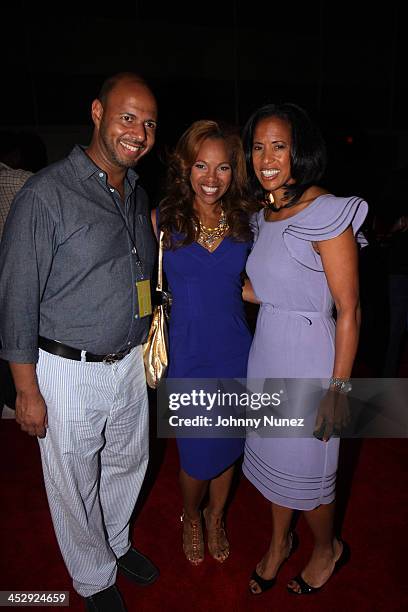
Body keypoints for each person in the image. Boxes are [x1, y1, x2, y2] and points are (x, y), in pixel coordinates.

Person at [0, 72, 160, 612]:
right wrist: (26, 389)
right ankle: (92, 576)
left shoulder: (136, 193)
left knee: (126, 462)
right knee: (72, 477)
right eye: (127, 117)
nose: (138, 131)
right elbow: (16, 295)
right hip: (67, 366)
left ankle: (114, 543)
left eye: (149, 123)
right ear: (97, 112)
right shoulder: (45, 194)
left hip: (129, 362)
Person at [240, 103, 368, 595]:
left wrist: (338, 390)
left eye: (279, 146)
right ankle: (278, 544)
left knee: (309, 472)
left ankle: (325, 547)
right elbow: (268, 285)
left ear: (300, 152)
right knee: (277, 465)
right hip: (268, 350)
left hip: (311, 359)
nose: (266, 157)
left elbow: (349, 311)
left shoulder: (327, 211)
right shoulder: (265, 212)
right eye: (257, 146)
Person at [151, 120, 255, 565]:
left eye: (223, 168)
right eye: (201, 166)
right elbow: (141, 285)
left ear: (235, 172)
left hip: (236, 349)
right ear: (185, 167)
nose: (211, 178)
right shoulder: (162, 220)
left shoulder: (247, 223)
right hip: (188, 353)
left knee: (229, 442)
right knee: (195, 451)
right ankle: (191, 515)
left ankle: (216, 517)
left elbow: (250, 286)